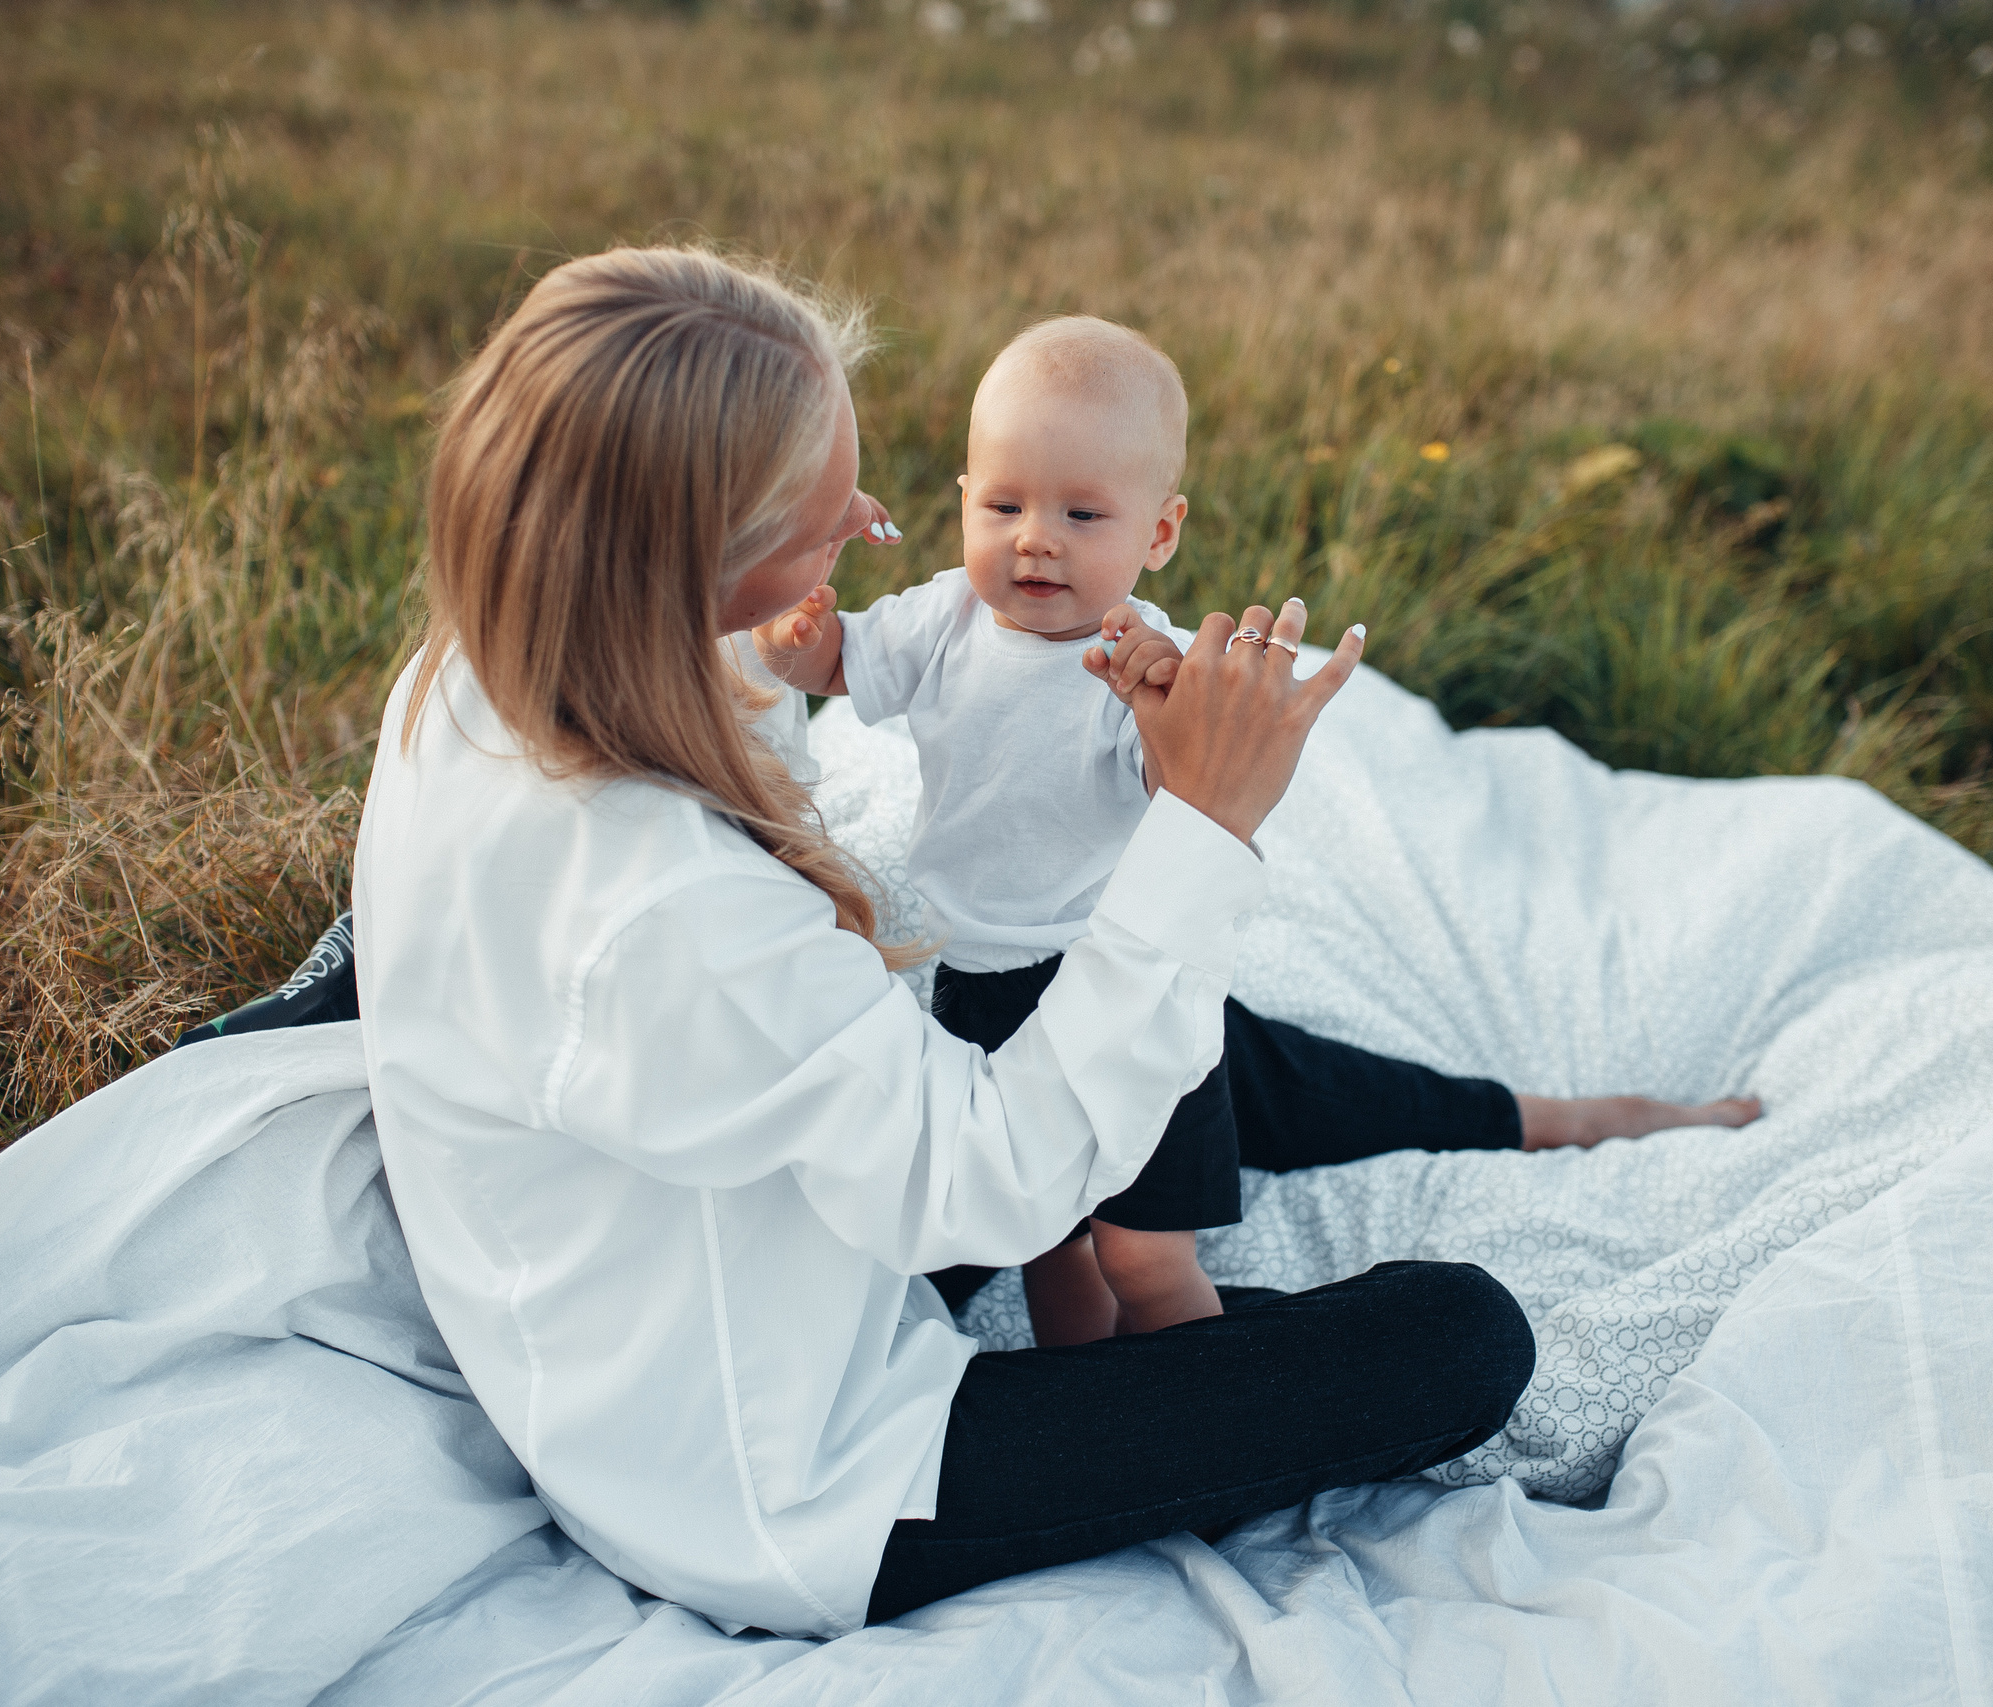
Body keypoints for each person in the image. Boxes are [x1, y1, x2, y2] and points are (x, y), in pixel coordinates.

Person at [357, 244, 1522, 1641]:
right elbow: (992, 1183)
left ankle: (1520, 1115)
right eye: (816, 509)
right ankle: (1251, 1275)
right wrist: (1205, 821)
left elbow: (797, 686)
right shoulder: (659, 911)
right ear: (696, 553)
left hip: (779, 1226)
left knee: (1180, 1029)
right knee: (1458, 1333)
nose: (864, 515)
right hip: (805, 1473)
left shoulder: (492, 661)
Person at [751, 315, 1761, 1346]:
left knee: (1144, 1254)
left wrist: (1159, 716)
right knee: (1046, 1239)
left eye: (1082, 512)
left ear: (1159, 533)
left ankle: (1208, 1386)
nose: (1035, 537)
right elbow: (841, 665)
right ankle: (1103, 1408)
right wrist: (796, 638)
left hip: (1129, 986)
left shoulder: (1141, 659)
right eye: (1003, 503)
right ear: (962, 502)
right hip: (985, 979)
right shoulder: (941, 620)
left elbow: (1184, 792)